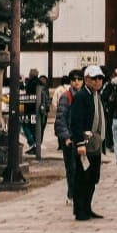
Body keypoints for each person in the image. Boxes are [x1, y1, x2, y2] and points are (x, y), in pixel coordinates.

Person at [69, 65, 107, 221]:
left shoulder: (96, 95)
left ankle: (87, 207)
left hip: (95, 143)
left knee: (92, 178)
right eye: (94, 78)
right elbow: (76, 121)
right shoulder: (81, 96)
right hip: (85, 142)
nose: (98, 81)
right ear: (87, 79)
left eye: (100, 78)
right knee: (83, 178)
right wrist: (79, 143)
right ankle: (80, 210)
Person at [53, 71, 82, 203]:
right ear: (70, 81)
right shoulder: (66, 96)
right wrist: (65, 137)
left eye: (79, 79)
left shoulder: (85, 95)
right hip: (70, 138)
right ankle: (72, 194)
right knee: (72, 168)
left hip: (82, 137)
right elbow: (60, 118)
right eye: (74, 79)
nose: (77, 82)